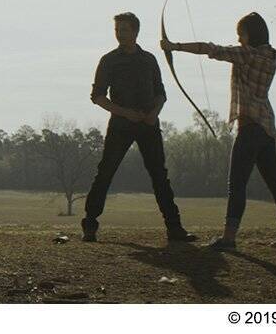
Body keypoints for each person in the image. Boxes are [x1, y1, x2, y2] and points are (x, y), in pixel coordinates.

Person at [162, 11, 276, 250]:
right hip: (266, 127)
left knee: (237, 184)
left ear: (250, 34)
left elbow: (210, 49)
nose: (239, 39)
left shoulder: (247, 54)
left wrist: (175, 46)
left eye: (241, 34)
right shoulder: (271, 56)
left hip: (250, 127)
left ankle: (228, 239)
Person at [82, 12, 197, 243]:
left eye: (124, 30)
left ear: (135, 31)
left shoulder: (149, 60)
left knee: (159, 175)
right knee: (105, 172)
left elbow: (160, 93)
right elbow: (97, 96)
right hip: (120, 125)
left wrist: (154, 114)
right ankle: (90, 226)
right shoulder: (109, 60)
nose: (120, 34)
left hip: (148, 125)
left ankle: (175, 228)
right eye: (117, 30)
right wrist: (125, 113)